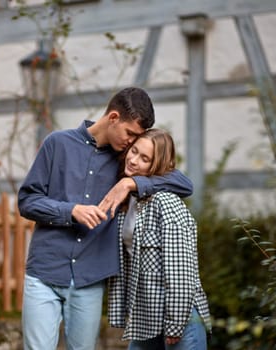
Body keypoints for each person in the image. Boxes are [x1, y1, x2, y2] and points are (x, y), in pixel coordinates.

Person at [17, 87, 194, 350]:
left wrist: (130, 184)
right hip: (44, 272)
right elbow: (27, 200)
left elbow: (183, 184)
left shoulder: (126, 160)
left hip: (90, 278)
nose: (132, 143)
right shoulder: (57, 144)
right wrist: (71, 211)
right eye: (130, 134)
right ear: (113, 118)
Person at [108, 128, 211, 350]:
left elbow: (181, 270)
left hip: (179, 319)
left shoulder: (165, 202)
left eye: (145, 159)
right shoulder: (130, 200)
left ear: (156, 166)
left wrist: (175, 322)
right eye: (134, 151)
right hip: (147, 317)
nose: (134, 161)